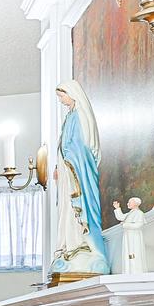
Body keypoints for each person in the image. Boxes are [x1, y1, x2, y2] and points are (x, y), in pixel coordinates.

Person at [51, 80, 110, 279]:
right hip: (69, 171)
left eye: (61, 96)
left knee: (80, 207)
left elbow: (80, 147)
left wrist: (67, 162)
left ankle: (82, 245)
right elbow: (64, 145)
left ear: (71, 93)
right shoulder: (70, 116)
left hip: (78, 171)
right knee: (67, 210)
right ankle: (71, 246)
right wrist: (60, 166)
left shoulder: (79, 116)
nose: (60, 100)